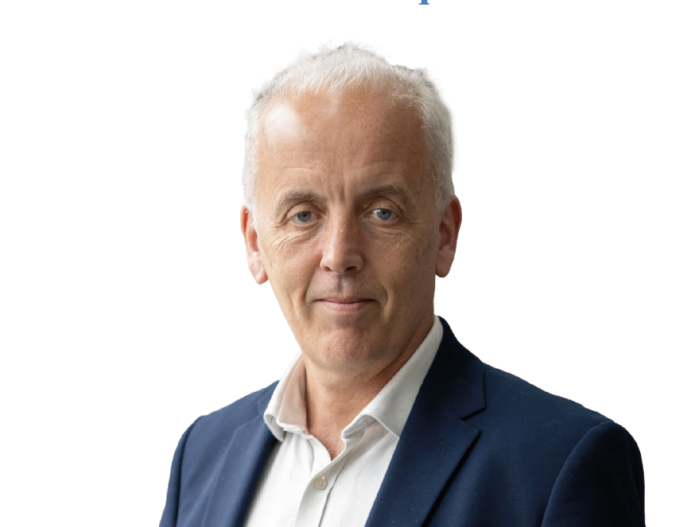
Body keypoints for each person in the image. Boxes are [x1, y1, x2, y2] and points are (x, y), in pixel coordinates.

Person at [159, 44, 645, 527]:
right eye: (303, 215)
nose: (339, 256)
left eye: (382, 212)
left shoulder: (561, 465)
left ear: (444, 235)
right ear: (254, 242)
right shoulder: (201, 455)